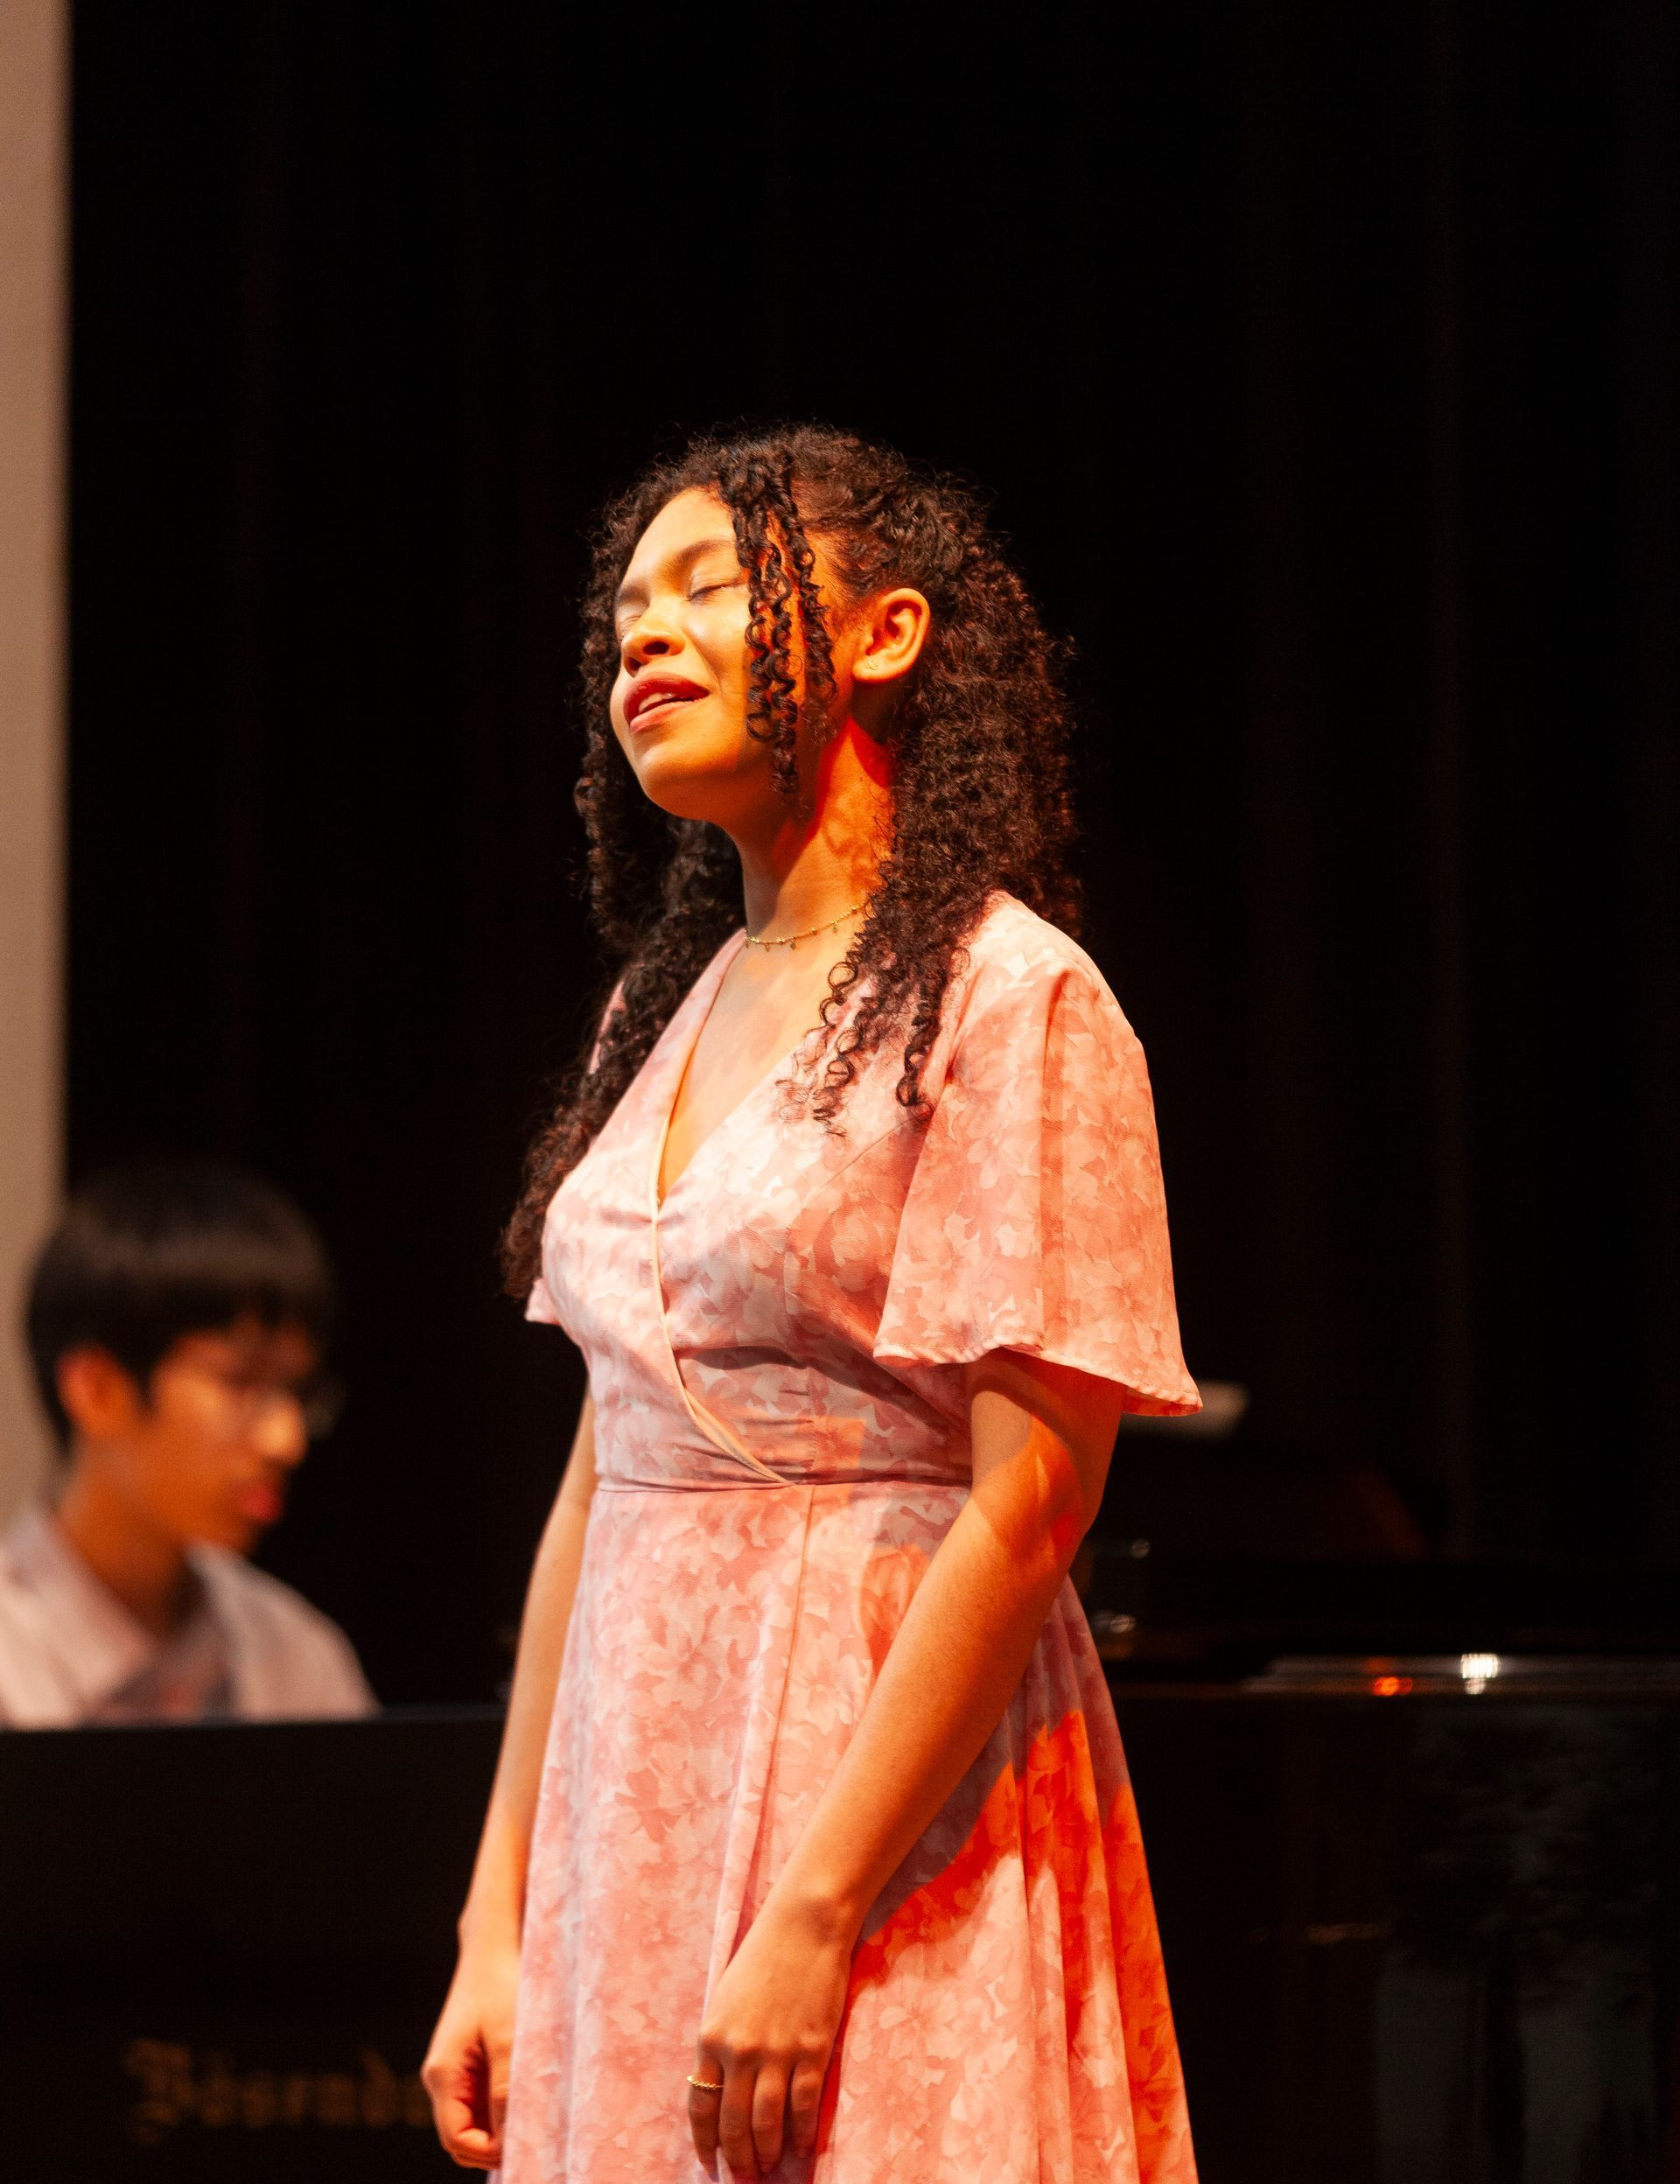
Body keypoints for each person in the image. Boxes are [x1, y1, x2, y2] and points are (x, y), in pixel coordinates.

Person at [424, 428, 1200, 2182]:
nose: (647, 635)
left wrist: (813, 1907)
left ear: (885, 636)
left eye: (709, 587)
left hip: (880, 1803)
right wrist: (500, 1918)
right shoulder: (659, 1013)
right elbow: (595, 1486)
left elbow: (1034, 1496)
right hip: (639, 1786)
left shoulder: (1008, 1000)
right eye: (625, 609)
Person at [0, 1159, 374, 1726]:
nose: (286, 1440)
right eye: (240, 1382)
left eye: (296, 1392)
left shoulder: (296, 1653)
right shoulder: (13, 1658)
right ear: (97, 1388)